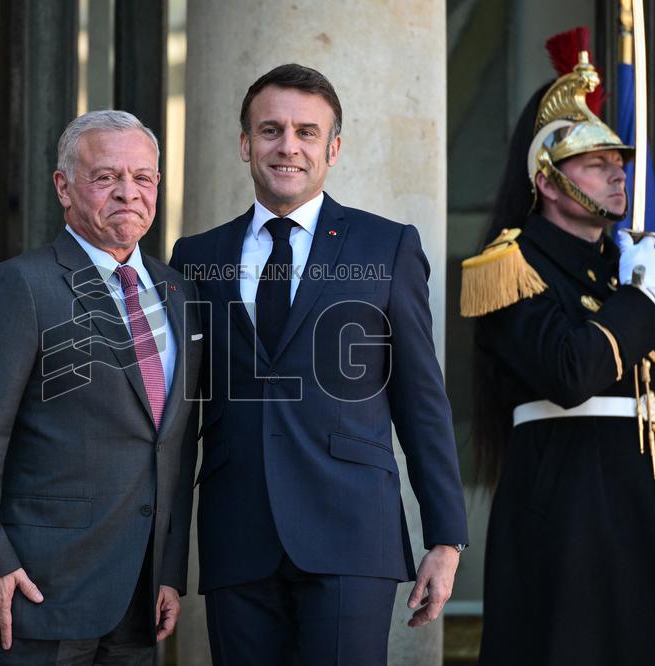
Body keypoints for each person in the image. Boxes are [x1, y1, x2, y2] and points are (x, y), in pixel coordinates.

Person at [169, 63, 469, 665]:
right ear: (244, 143)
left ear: (334, 148)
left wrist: (446, 537)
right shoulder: (195, 257)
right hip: (237, 537)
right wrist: (167, 562)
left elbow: (421, 398)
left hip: (352, 534)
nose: (288, 146)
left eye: (307, 132)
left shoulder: (386, 246)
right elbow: (179, 424)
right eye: (271, 129)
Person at [460, 31, 655, 665]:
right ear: (547, 181)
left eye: (618, 160)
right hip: (570, 516)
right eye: (596, 161)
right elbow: (570, 372)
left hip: (649, 514)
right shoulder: (509, 268)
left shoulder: (622, 270)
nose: (617, 170)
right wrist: (638, 301)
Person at [0, 110, 203, 666]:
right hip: (35, 589)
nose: (128, 192)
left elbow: (175, 442)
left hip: (138, 598)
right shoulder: (20, 286)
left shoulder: (179, 293)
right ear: (63, 187)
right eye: (106, 177)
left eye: (142, 178)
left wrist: (168, 569)